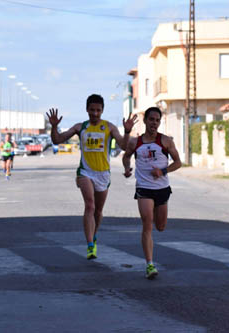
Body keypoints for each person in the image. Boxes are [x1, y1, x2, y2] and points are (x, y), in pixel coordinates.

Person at [47, 94, 137, 260]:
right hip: (85, 172)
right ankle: (89, 245)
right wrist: (54, 127)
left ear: (102, 110)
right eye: (92, 110)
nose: (95, 113)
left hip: (103, 173)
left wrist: (127, 131)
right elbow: (57, 139)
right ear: (86, 109)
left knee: (98, 211)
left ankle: (93, 236)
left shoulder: (109, 127)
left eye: (98, 110)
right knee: (89, 205)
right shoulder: (80, 127)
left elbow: (124, 145)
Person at [122, 107, 181, 279]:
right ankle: (149, 264)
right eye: (151, 119)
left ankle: (156, 211)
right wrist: (127, 169)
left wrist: (162, 171)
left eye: (157, 120)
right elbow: (126, 157)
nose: (154, 123)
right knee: (147, 223)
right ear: (145, 121)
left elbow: (178, 162)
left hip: (162, 188)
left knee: (160, 227)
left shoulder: (166, 141)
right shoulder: (136, 142)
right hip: (144, 188)